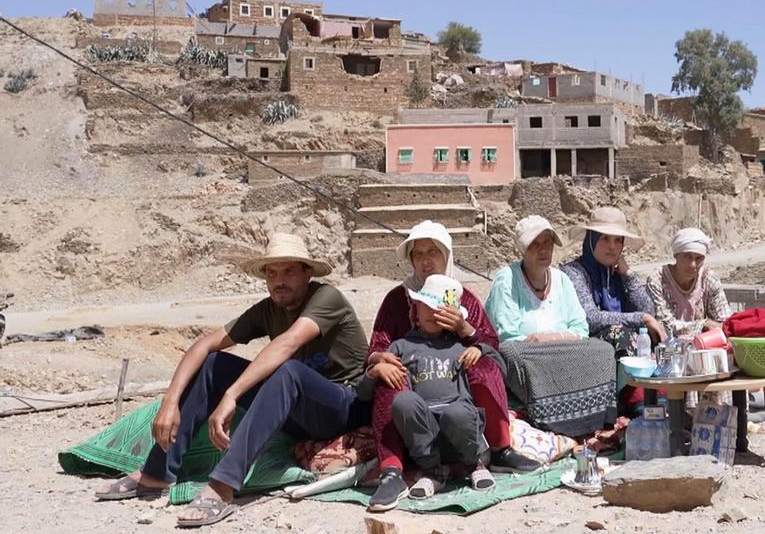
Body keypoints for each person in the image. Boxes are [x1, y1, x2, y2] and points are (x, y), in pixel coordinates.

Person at [93, 233, 370, 528]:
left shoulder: (326, 297)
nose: (279, 280)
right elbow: (205, 345)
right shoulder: (268, 309)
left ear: (307, 273)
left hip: (343, 405)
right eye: (272, 273)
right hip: (297, 408)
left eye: (289, 271)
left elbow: (288, 343)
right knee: (214, 364)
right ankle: (157, 472)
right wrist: (170, 401)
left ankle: (223, 486)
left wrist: (232, 395)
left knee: (288, 371)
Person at [365, 221, 538, 512]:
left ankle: (500, 449)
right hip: (413, 398)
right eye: (417, 253)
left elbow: (492, 345)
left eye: (433, 251)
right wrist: (379, 362)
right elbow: (376, 347)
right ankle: (392, 471)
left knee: (484, 366)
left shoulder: (464, 297)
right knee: (388, 376)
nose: (425, 260)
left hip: (457, 395)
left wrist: (465, 330)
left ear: (448, 256)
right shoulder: (397, 299)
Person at [363, 274, 501, 503]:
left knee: (456, 413)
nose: (432, 314)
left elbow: (498, 366)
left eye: (440, 310)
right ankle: (432, 471)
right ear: (415, 309)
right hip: (425, 434)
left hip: (461, 430)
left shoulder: (461, 345)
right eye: (426, 307)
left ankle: (472, 464)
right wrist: (374, 371)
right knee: (403, 401)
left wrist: (480, 349)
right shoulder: (401, 346)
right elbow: (364, 392)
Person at [485, 215, 616, 436]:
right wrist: (542, 343)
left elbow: (580, 328)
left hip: (559, 349)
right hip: (528, 356)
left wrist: (549, 339)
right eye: (535, 244)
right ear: (522, 249)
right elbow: (506, 336)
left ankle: (587, 418)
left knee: (604, 350)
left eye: (547, 242)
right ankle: (548, 415)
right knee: (510, 353)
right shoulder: (506, 279)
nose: (543, 249)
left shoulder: (561, 279)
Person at [561, 206, 659, 412]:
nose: (612, 247)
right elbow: (591, 318)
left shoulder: (617, 275)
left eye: (618, 240)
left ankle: (656, 397)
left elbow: (650, 310)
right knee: (620, 333)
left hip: (621, 347)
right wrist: (641, 318)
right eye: (604, 238)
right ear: (591, 240)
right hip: (585, 347)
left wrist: (629, 275)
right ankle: (636, 401)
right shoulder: (574, 273)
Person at [645, 228, 730, 342]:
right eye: (687, 256)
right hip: (667, 349)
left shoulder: (709, 279)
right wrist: (703, 325)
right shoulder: (657, 280)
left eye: (698, 258)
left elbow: (724, 321)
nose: (692, 264)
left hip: (703, 346)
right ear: (676, 255)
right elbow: (664, 325)